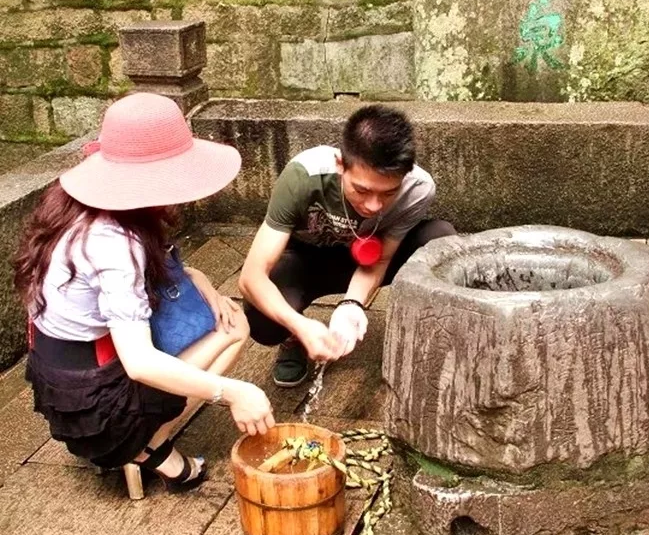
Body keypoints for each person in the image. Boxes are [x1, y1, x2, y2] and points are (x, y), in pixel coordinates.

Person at [13, 92, 274, 493]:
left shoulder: (71, 206)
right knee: (235, 328)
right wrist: (234, 392)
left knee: (217, 313)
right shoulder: (115, 242)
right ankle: (148, 446)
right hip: (99, 405)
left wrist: (199, 278)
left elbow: (152, 271)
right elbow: (139, 363)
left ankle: (142, 441)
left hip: (59, 377)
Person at [239, 103, 455, 386]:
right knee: (263, 320)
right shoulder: (303, 176)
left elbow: (381, 258)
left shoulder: (418, 189)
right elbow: (250, 277)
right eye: (362, 190)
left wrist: (352, 303)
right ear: (340, 164)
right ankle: (292, 339)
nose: (373, 205)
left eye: (388, 193)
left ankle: (419, 331)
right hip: (307, 261)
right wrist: (299, 325)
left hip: (366, 257)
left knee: (439, 239)